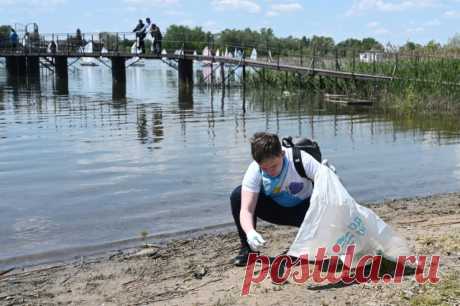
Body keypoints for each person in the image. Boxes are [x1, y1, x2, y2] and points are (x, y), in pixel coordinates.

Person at [230, 132, 320, 266]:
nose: (270, 171)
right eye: (264, 168)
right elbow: (246, 210)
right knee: (237, 195)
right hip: (276, 210)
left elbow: (330, 190)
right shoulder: (254, 170)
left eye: (274, 166)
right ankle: (248, 250)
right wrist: (250, 232)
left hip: (306, 212)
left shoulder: (301, 159)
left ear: (282, 154)